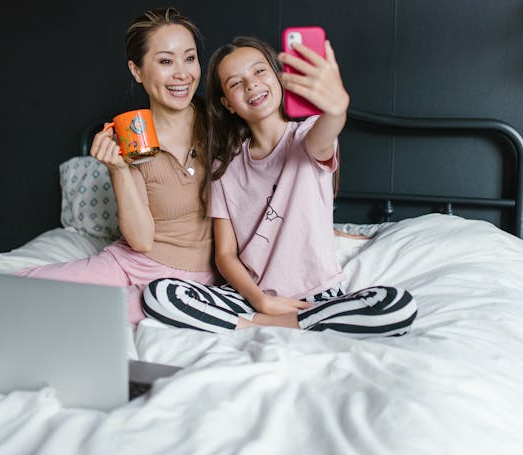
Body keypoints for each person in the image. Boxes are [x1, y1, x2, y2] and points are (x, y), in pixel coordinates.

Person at [143, 35, 417, 336]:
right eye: (235, 83)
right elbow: (225, 255)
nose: (251, 85)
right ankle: (286, 326)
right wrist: (259, 301)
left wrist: (337, 109)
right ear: (227, 104)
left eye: (260, 71)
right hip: (252, 299)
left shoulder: (307, 136)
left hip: (314, 298)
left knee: (396, 305)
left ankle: (267, 327)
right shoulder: (225, 167)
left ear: (279, 77)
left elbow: (326, 132)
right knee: (160, 294)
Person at [16, 7, 218, 324]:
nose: (182, 73)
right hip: (131, 261)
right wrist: (118, 169)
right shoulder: (132, 136)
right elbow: (141, 240)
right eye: (166, 61)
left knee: (96, 312)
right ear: (136, 71)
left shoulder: (223, 126)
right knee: (21, 291)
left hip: (192, 280)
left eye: (190, 58)